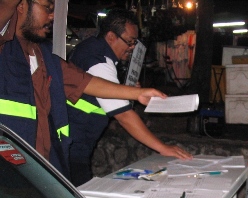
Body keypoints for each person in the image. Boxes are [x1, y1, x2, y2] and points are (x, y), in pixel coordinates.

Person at [0, 0, 168, 178]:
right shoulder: (5, 49)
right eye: (47, 8)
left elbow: (85, 82)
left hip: (44, 164)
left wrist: (138, 93)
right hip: (8, 168)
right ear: (21, 5)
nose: (52, 16)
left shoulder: (46, 56)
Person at [67, 8, 192, 186]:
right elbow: (124, 116)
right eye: (130, 42)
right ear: (111, 37)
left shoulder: (93, 51)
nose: (132, 48)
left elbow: (104, 92)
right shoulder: (98, 61)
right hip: (72, 146)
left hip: (76, 144)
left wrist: (127, 90)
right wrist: (162, 148)